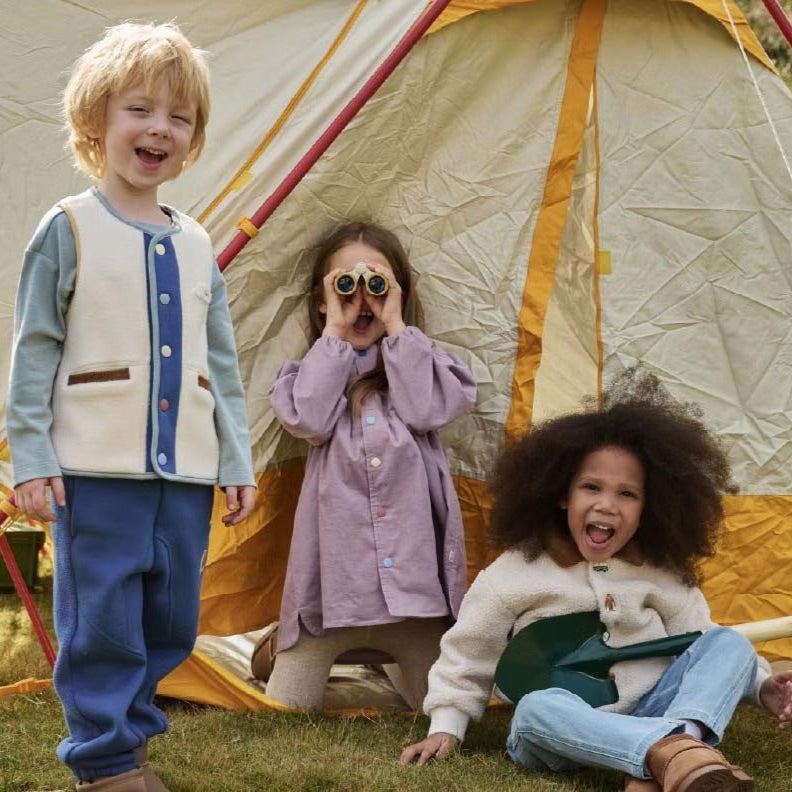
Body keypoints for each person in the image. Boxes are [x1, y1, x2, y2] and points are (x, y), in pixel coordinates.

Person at [7, 22, 255, 792]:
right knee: (102, 621)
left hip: (183, 473)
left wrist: (236, 458)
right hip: (94, 467)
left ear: (193, 139)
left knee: (171, 620)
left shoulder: (196, 242)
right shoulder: (68, 227)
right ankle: (106, 760)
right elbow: (34, 350)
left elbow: (222, 363)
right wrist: (33, 456)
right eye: (140, 110)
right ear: (94, 124)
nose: (160, 129)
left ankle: (130, 733)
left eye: (179, 118)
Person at [400, 368, 792, 791]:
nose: (607, 505)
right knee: (534, 708)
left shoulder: (659, 573)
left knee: (729, 642)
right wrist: (447, 725)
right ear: (561, 493)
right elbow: (468, 655)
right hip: (563, 733)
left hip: (654, 708)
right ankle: (667, 753)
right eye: (591, 487)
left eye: (627, 493)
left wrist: (760, 686)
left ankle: (674, 752)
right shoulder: (514, 574)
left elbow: (699, 642)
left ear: (650, 506)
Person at [258, 221, 476, 711]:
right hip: (332, 599)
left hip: (416, 602)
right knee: (287, 706)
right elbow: (310, 419)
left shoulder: (423, 366)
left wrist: (396, 325)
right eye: (344, 286)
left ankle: (388, 660)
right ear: (322, 300)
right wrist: (335, 332)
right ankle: (279, 646)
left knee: (440, 705)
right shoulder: (312, 373)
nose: (362, 300)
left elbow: (424, 410)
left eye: (374, 284)